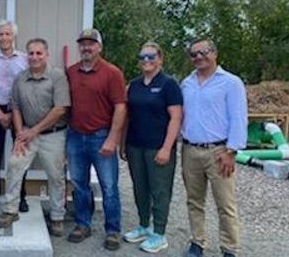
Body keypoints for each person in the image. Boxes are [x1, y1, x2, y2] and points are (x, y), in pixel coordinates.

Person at [0, 38, 71, 237]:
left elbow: (60, 109)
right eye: (31, 53)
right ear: (26, 55)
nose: (34, 57)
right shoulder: (20, 78)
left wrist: (33, 131)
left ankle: (57, 216)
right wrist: (20, 134)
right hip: (26, 133)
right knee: (14, 164)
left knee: (56, 177)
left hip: (53, 135)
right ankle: (10, 209)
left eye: (39, 53)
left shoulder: (57, 76)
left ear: (46, 54)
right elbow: (16, 106)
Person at [181, 38, 247, 257]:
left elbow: (238, 118)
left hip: (218, 152)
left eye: (204, 52)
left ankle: (229, 248)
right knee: (194, 201)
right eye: (194, 54)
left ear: (215, 53)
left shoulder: (231, 82)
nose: (199, 57)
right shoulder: (186, 83)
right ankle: (197, 243)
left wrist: (231, 151)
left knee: (225, 203)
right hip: (190, 150)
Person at [66, 28, 127, 251]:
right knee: (79, 185)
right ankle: (83, 224)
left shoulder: (112, 73)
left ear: (99, 47)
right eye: (82, 43)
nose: (86, 47)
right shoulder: (71, 72)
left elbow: (121, 107)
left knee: (109, 186)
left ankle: (112, 230)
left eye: (91, 44)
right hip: (75, 136)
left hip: (102, 135)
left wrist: (113, 139)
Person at [121, 42, 183, 253]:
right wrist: (123, 144)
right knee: (140, 188)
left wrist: (167, 147)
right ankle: (143, 225)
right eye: (142, 56)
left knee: (159, 190)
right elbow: (127, 117)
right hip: (135, 145)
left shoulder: (169, 84)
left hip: (158, 147)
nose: (146, 60)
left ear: (160, 59)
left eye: (151, 56)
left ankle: (159, 233)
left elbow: (176, 118)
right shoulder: (135, 85)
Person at [0, 20, 29, 212]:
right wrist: (0, 113)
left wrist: (13, 113)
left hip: (19, 111)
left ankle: (21, 196)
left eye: (8, 34)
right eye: (1, 34)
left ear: (14, 36)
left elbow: (27, 87)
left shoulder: (24, 59)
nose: (4, 38)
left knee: (20, 155)